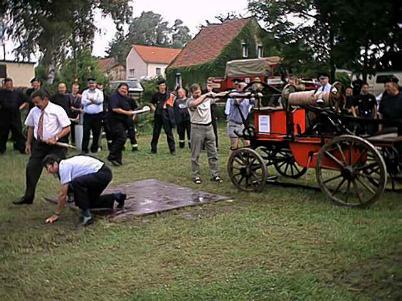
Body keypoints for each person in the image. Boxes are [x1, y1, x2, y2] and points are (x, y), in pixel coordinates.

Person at [13, 89, 71, 205]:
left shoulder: (57, 110)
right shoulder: (34, 111)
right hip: (40, 145)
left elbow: (67, 128)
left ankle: (71, 194)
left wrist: (55, 137)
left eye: (37, 102)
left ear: (45, 99)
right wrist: (28, 143)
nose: (36, 105)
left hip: (56, 145)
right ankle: (28, 197)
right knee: (31, 168)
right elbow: (31, 127)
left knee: (59, 169)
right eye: (34, 102)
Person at [42, 154, 126, 226]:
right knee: (89, 202)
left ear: (55, 164)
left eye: (48, 168)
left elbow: (62, 194)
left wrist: (56, 214)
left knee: (76, 183)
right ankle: (117, 197)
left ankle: (87, 216)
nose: (48, 172)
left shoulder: (63, 167)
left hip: (102, 173)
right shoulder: (65, 164)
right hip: (102, 173)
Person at [187, 83, 226, 184]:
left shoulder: (207, 99)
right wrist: (206, 95)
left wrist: (230, 92)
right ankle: (196, 175)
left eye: (199, 92)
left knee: (213, 153)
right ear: (191, 93)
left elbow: (220, 96)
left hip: (209, 127)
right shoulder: (190, 101)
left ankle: (215, 175)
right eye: (195, 93)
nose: (197, 94)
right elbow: (195, 104)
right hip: (197, 128)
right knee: (195, 154)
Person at [107, 83, 137, 166]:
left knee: (117, 139)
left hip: (124, 122)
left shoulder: (127, 99)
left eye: (126, 89)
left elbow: (131, 108)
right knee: (122, 138)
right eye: (122, 88)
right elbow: (115, 109)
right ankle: (112, 155)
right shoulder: (114, 97)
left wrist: (132, 113)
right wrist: (127, 113)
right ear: (118, 88)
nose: (124, 90)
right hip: (115, 121)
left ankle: (117, 160)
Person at [0, 78, 28, 154]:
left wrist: (20, 108)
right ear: (5, 84)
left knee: (18, 133)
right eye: (7, 84)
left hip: (15, 116)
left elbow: (26, 101)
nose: (9, 85)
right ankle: (1, 150)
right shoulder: (1, 92)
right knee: (3, 133)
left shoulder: (17, 93)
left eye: (10, 83)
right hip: (4, 116)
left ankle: (22, 149)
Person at [149, 79, 176, 155]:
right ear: (159, 86)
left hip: (166, 115)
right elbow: (151, 103)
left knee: (169, 133)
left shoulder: (169, 95)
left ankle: (172, 150)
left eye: (163, 85)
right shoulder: (155, 95)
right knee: (156, 133)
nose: (162, 87)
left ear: (165, 86)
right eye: (161, 85)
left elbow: (172, 103)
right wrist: (153, 107)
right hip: (158, 115)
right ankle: (153, 149)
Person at [226, 82, 254, 150]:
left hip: (242, 125)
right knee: (234, 146)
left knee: (247, 143)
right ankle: (231, 160)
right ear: (239, 88)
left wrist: (255, 96)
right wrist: (244, 96)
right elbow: (237, 102)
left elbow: (254, 102)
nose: (246, 90)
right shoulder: (233, 95)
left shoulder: (247, 97)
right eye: (245, 88)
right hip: (233, 124)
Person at [81, 78, 104, 153]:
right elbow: (83, 102)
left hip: (97, 115)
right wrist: (94, 101)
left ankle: (94, 148)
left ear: (95, 84)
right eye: (90, 83)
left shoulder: (99, 92)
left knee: (96, 132)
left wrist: (90, 100)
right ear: (88, 84)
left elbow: (100, 101)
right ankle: (84, 149)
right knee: (86, 132)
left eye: (93, 83)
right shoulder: (85, 92)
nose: (91, 85)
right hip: (87, 115)